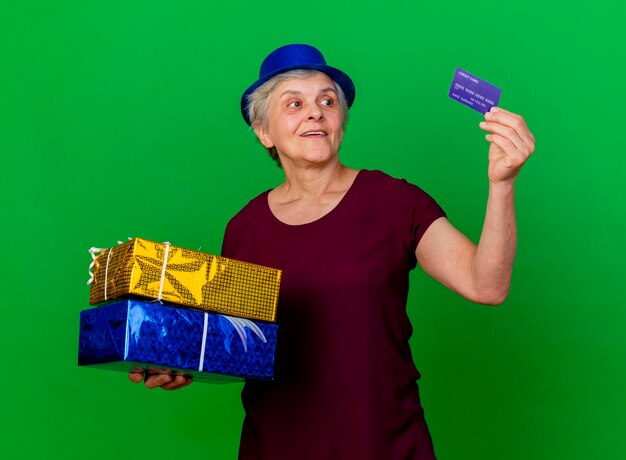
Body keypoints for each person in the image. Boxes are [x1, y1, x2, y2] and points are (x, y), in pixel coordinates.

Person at [129, 44, 535, 459]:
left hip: (386, 446)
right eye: (294, 103)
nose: (315, 112)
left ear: (341, 120)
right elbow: (241, 347)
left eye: (327, 101)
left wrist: (502, 185)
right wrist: (180, 363)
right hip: (276, 448)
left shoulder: (396, 202)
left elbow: (487, 285)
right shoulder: (243, 230)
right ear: (263, 131)